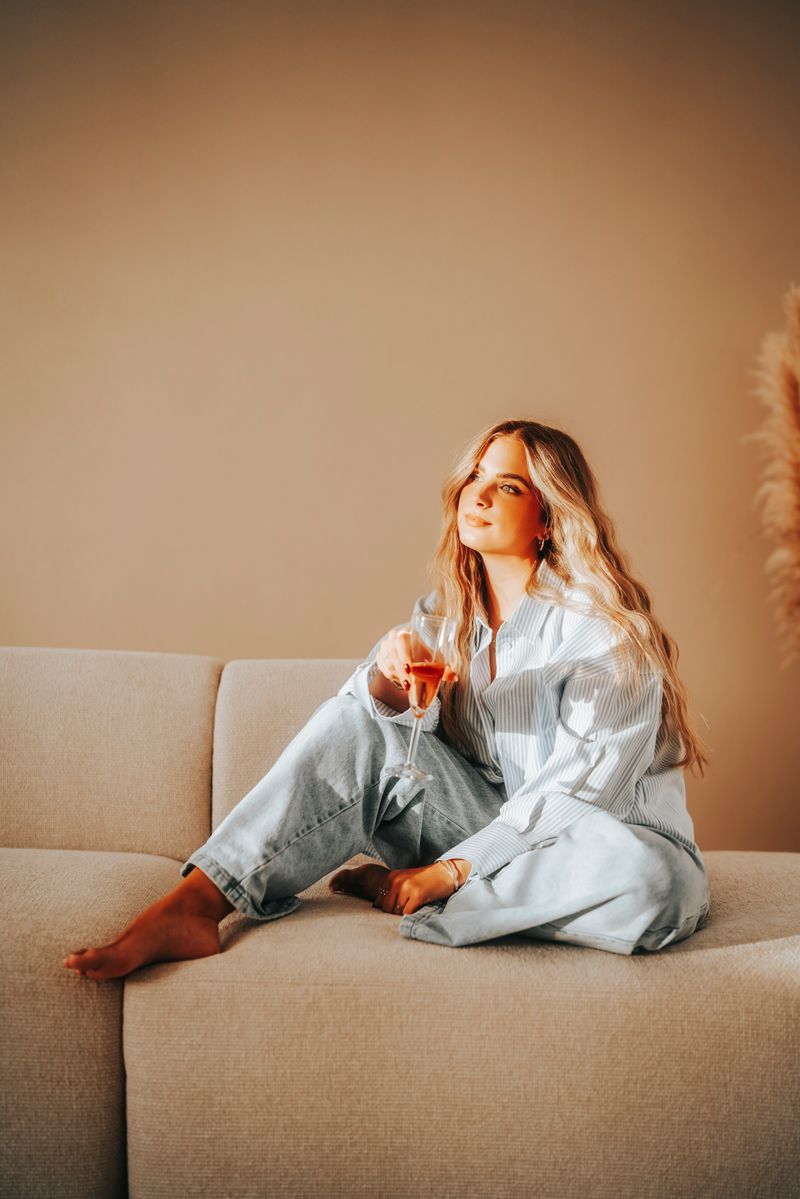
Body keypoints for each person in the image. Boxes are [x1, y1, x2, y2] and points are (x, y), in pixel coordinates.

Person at [63, 418, 711, 979]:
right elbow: (363, 728)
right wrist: (388, 672)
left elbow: (575, 793)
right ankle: (197, 903)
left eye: (506, 486)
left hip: (605, 842)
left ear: (547, 516)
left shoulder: (602, 631)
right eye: (474, 477)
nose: (477, 494)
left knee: (650, 882)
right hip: (495, 827)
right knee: (360, 722)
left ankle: (420, 888)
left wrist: (452, 869)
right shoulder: (446, 614)